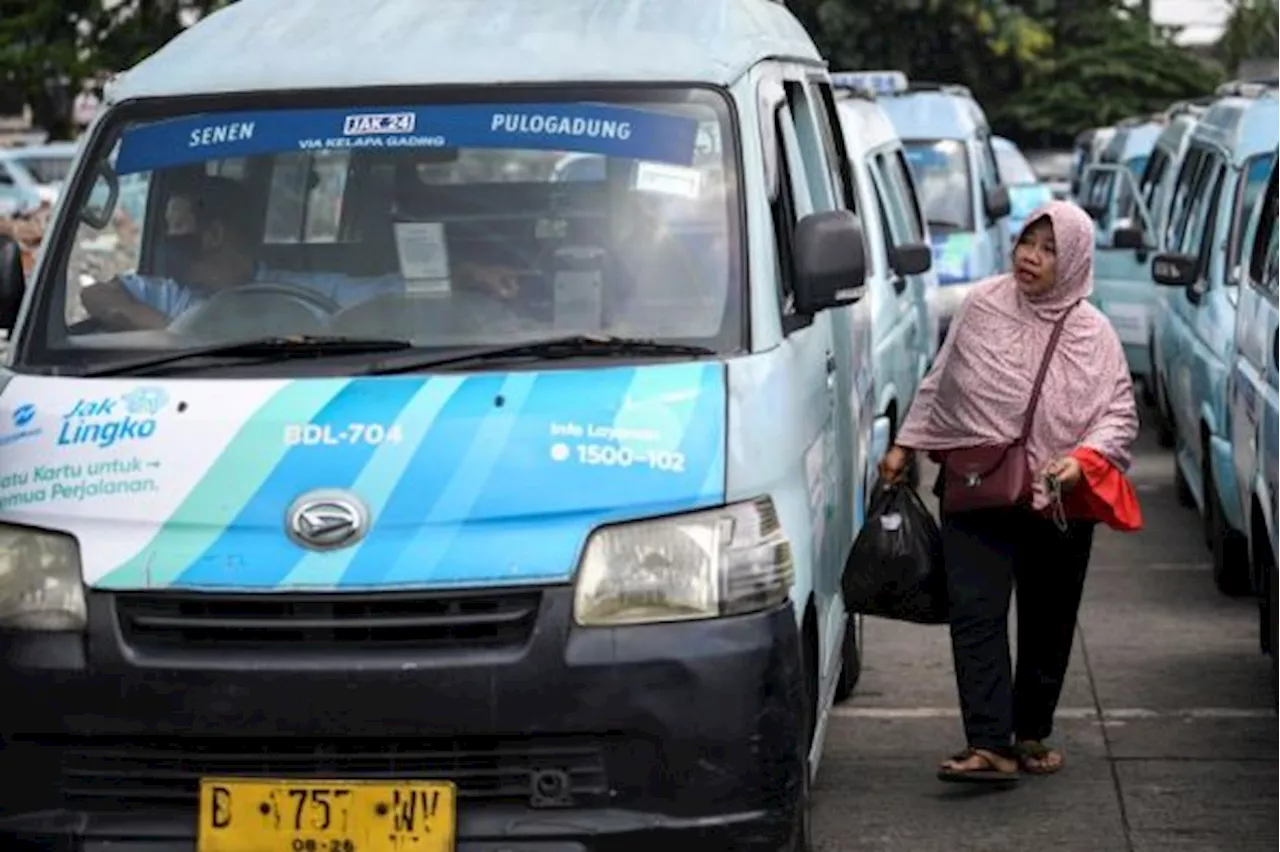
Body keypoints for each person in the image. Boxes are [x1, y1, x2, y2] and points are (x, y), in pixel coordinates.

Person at [878, 199, 1139, 783]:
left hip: (1059, 499)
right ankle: (989, 743)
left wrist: (1082, 459)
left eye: (1050, 250)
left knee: (1048, 619)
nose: (1032, 257)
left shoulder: (1092, 333)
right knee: (975, 612)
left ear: (1073, 261)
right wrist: (906, 443)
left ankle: (1029, 732)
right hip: (977, 486)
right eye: (1028, 242)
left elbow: (1119, 413)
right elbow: (944, 377)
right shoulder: (982, 305)